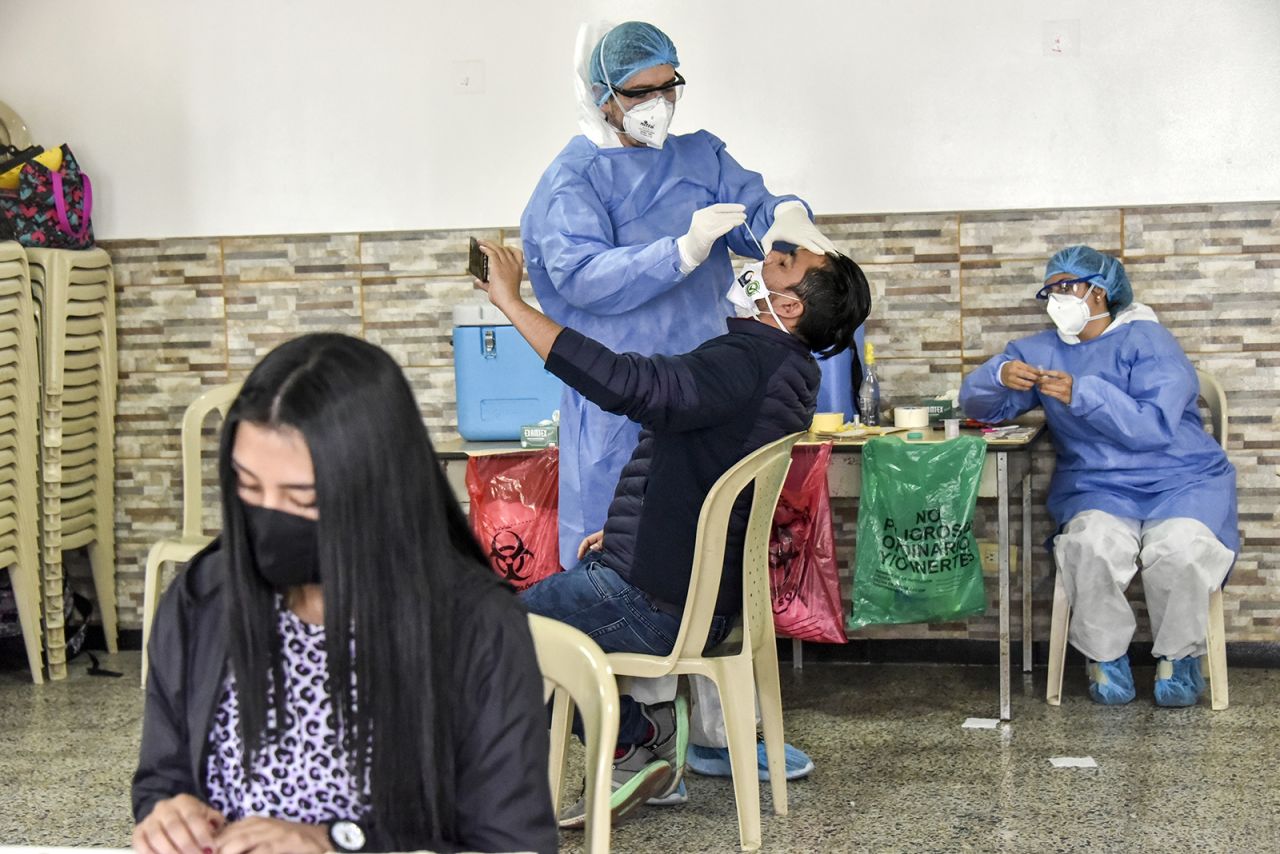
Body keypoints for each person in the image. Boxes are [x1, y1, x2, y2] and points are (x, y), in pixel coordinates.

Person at [521, 18, 835, 786]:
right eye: (642, 92)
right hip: (620, 407)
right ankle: (633, 745)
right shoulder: (572, 182)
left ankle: (721, 738)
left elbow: (762, 213)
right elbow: (578, 279)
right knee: (628, 573)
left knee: (711, 562)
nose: (660, 104)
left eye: (671, 86)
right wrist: (681, 251)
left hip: (709, 392)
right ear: (602, 96)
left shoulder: (700, 157)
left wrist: (786, 221)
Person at [474, 239, 870, 823]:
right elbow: (706, 470)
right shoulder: (785, 372)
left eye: (782, 265)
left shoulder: (745, 362)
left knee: (485, 633)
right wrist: (626, 534)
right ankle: (637, 739)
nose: (765, 261)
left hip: (653, 603)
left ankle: (634, 738)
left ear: (787, 307)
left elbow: (624, 384)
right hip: (687, 591)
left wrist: (511, 301)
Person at [132, 334, 557, 854]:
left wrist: (334, 843)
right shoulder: (205, 597)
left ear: (378, 491)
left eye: (300, 497)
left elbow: (512, 846)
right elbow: (161, 777)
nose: (266, 518)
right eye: (248, 487)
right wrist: (167, 812)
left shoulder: (473, 626)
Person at [959, 246, 1237, 707]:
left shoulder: (1148, 341)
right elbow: (981, 407)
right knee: (1091, 546)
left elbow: (1154, 427)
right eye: (1050, 290)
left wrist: (1083, 394)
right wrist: (999, 374)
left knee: (1181, 550)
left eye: (1067, 287)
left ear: (1100, 292)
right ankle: (1105, 658)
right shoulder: (1039, 351)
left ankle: (1179, 659)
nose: (1056, 298)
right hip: (1099, 486)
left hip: (1181, 480)